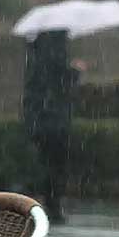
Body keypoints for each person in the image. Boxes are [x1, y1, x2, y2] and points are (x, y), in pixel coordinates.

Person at [23, 30, 76, 223]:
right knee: (55, 165)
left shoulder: (35, 56)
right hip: (54, 121)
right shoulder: (56, 56)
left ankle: (44, 203)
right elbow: (61, 86)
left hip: (39, 121)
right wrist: (74, 72)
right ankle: (52, 206)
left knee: (44, 163)